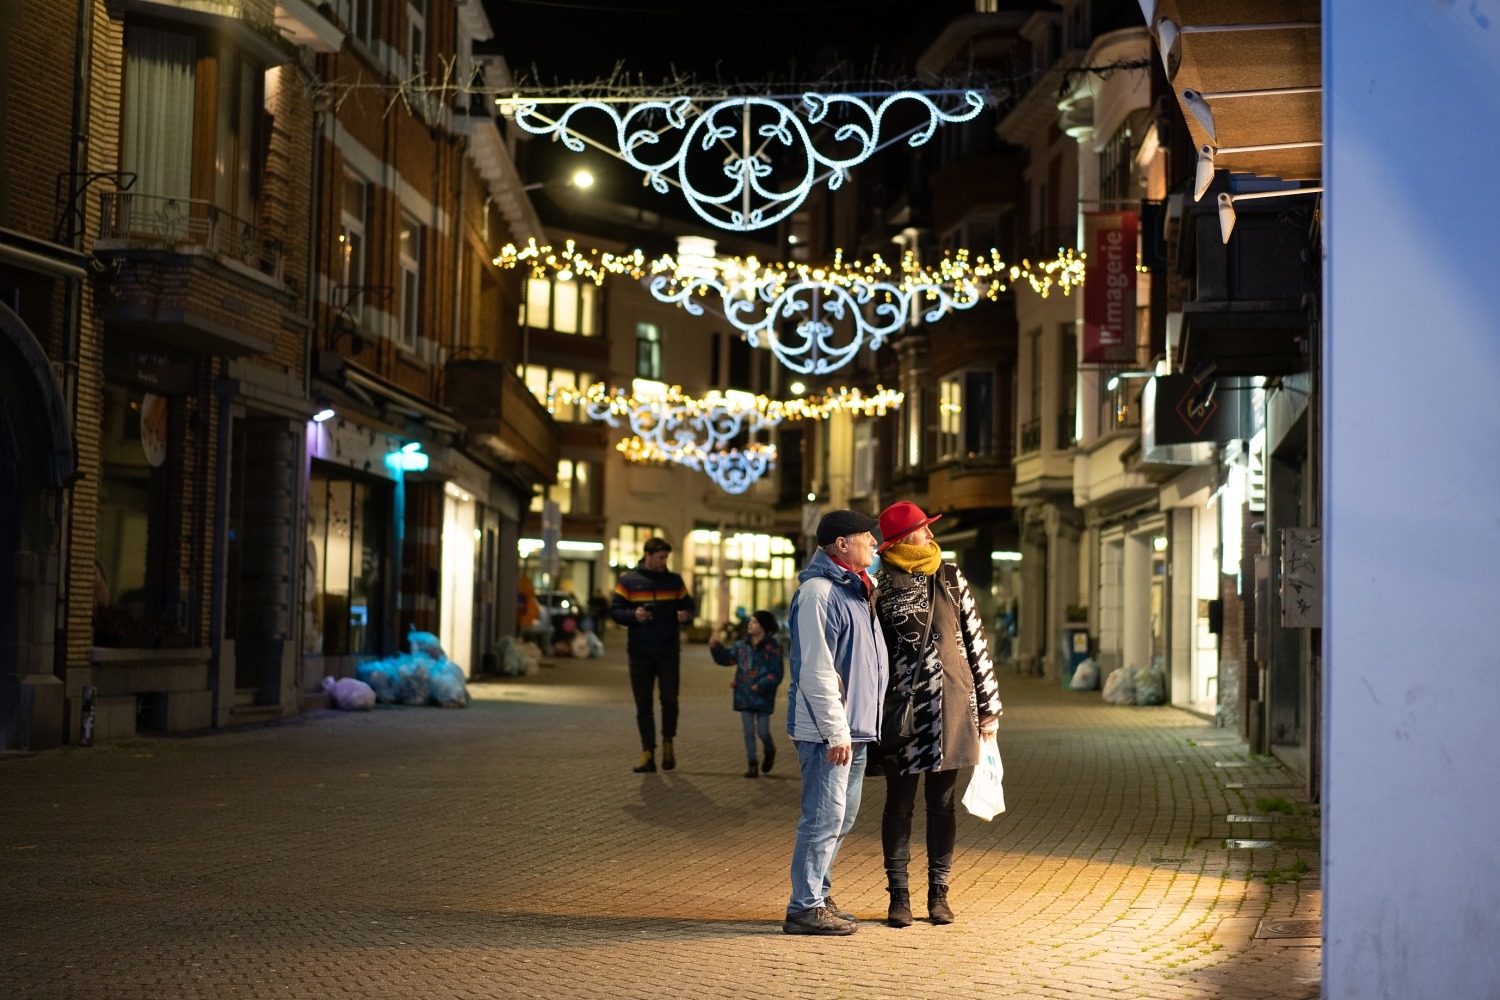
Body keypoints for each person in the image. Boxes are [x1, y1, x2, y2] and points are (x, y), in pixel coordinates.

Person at [872, 500, 1002, 928]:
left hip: (951, 706)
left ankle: (939, 895)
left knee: (942, 804)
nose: (930, 535)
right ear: (904, 538)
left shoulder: (950, 576)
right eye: (924, 529)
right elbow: (871, 657)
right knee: (900, 803)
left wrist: (989, 709)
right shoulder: (878, 587)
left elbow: (975, 640)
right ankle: (899, 897)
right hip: (903, 715)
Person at [782, 509, 889, 936]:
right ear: (842, 544)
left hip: (855, 728)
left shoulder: (860, 589)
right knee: (822, 817)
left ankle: (819, 895)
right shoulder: (820, 593)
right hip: (829, 731)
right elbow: (816, 668)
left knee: (840, 819)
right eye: (867, 537)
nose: (875, 544)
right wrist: (835, 730)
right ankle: (803, 907)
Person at [610, 537, 695, 773]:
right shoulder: (629, 581)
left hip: (668, 650)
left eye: (666, 557)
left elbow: (689, 605)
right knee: (643, 704)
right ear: (647, 555)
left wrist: (686, 615)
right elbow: (615, 610)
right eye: (660, 557)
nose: (664, 561)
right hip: (639, 652)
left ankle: (668, 743)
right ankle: (648, 751)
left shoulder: (674, 580)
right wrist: (633, 616)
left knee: (669, 700)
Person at [708, 610, 785, 778]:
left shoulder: (773, 648)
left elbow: (776, 673)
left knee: (763, 732)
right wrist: (716, 648)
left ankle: (769, 750)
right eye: (750, 621)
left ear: (763, 627)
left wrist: (762, 685)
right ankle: (752, 763)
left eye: (755, 622)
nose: (750, 624)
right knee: (749, 732)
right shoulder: (741, 646)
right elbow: (727, 659)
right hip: (744, 695)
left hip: (763, 696)